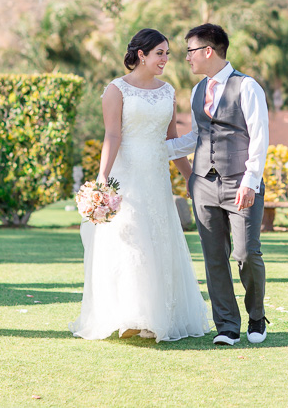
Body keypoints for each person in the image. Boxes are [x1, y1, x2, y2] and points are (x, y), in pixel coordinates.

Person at [69, 28, 209, 342]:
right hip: (126, 175)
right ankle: (130, 314)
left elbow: (172, 140)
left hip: (157, 177)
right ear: (141, 55)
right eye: (160, 53)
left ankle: (155, 318)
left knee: (158, 240)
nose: (166, 59)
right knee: (131, 240)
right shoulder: (116, 89)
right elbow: (113, 136)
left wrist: (190, 178)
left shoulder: (168, 91)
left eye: (168, 54)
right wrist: (103, 178)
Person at [167, 24, 270, 346]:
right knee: (214, 258)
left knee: (246, 253)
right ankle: (226, 325)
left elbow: (259, 138)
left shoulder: (247, 86)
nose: (186, 58)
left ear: (208, 51)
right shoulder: (198, 90)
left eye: (190, 51)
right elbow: (198, 136)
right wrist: (154, 149)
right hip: (203, 185)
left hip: (241, 182)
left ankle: (256, 316)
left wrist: (250, 182)